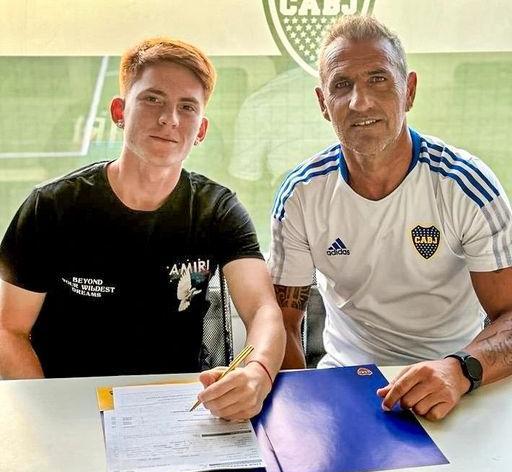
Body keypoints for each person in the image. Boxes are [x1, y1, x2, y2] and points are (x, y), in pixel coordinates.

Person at [0, 37, 285, 420]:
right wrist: (49, 415)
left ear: (201, 130)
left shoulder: (217, 209)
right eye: (152, 99)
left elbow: (263, 309)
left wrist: (258, 374)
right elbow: (9, 330)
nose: (170, 119)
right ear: (120, 111)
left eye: (187, 107)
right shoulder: (51, 207)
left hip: (178, 407)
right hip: (72, 405)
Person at [268, 15, 512, 421]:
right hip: (346, 379)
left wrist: (459, 370)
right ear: (323, 104)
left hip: (459, 381)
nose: (360, 102)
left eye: (378, 79)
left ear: (409, 90)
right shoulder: (301, 195)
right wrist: (305, 411)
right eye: (341, 85)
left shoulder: (466, 185)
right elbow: (282, 323)